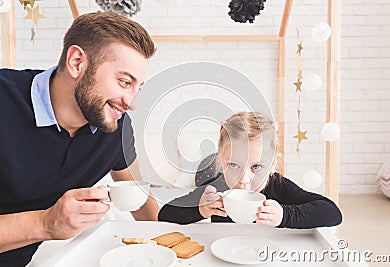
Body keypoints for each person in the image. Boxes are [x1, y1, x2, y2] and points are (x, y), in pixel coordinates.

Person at [0, 12, 159, 266]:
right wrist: (46, 223)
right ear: (76, 62)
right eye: (124, 81)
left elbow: (139, 200)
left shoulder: (114, 126)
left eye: (136, 87)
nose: (131, 102)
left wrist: (200, 215)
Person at [158, 112, 342, 228]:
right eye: (233, 165)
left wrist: (285, 215)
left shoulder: (278, 186)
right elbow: (164, 214)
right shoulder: (217, 188)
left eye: (256, 167)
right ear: (222, 161)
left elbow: (332, 213)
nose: (244, 179)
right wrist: (200, 210)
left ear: (272, 164)